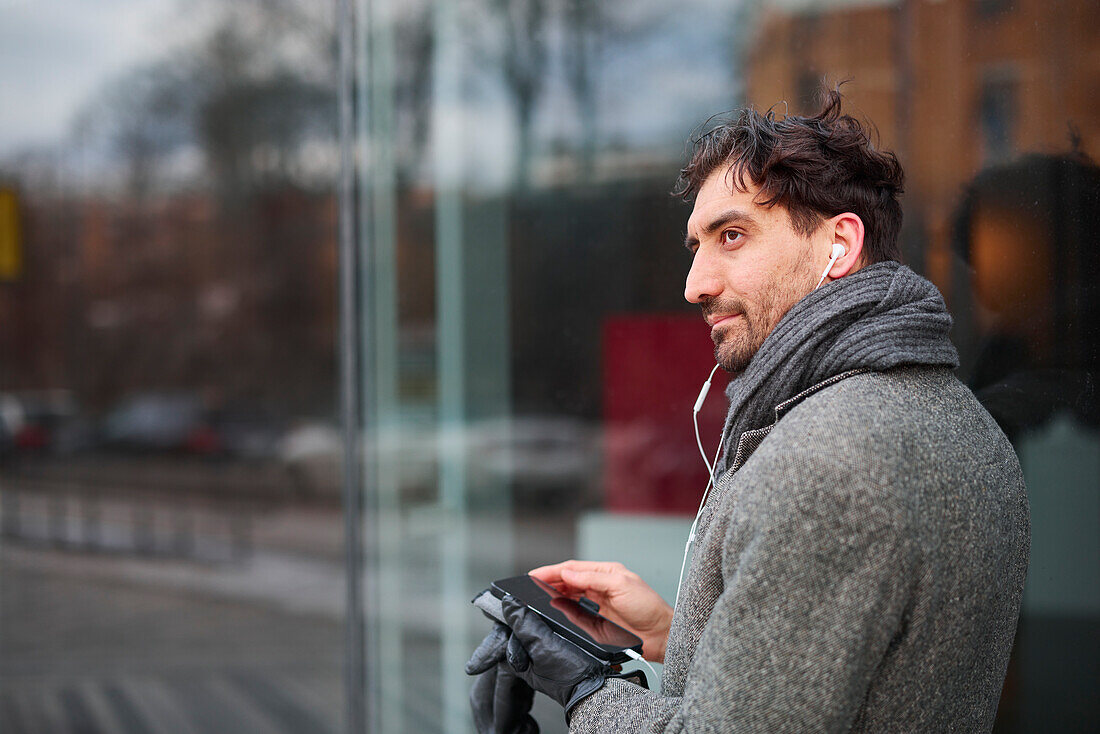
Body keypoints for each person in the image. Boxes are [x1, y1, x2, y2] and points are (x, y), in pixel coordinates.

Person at [466, 88, 1030, 733]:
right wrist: (670, 636)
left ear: (838, 245)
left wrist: (583, 687)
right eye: (695, 247)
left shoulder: (828, 458)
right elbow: (848, 687)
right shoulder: (953, 415)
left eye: (731, 236)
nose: (694, 284)